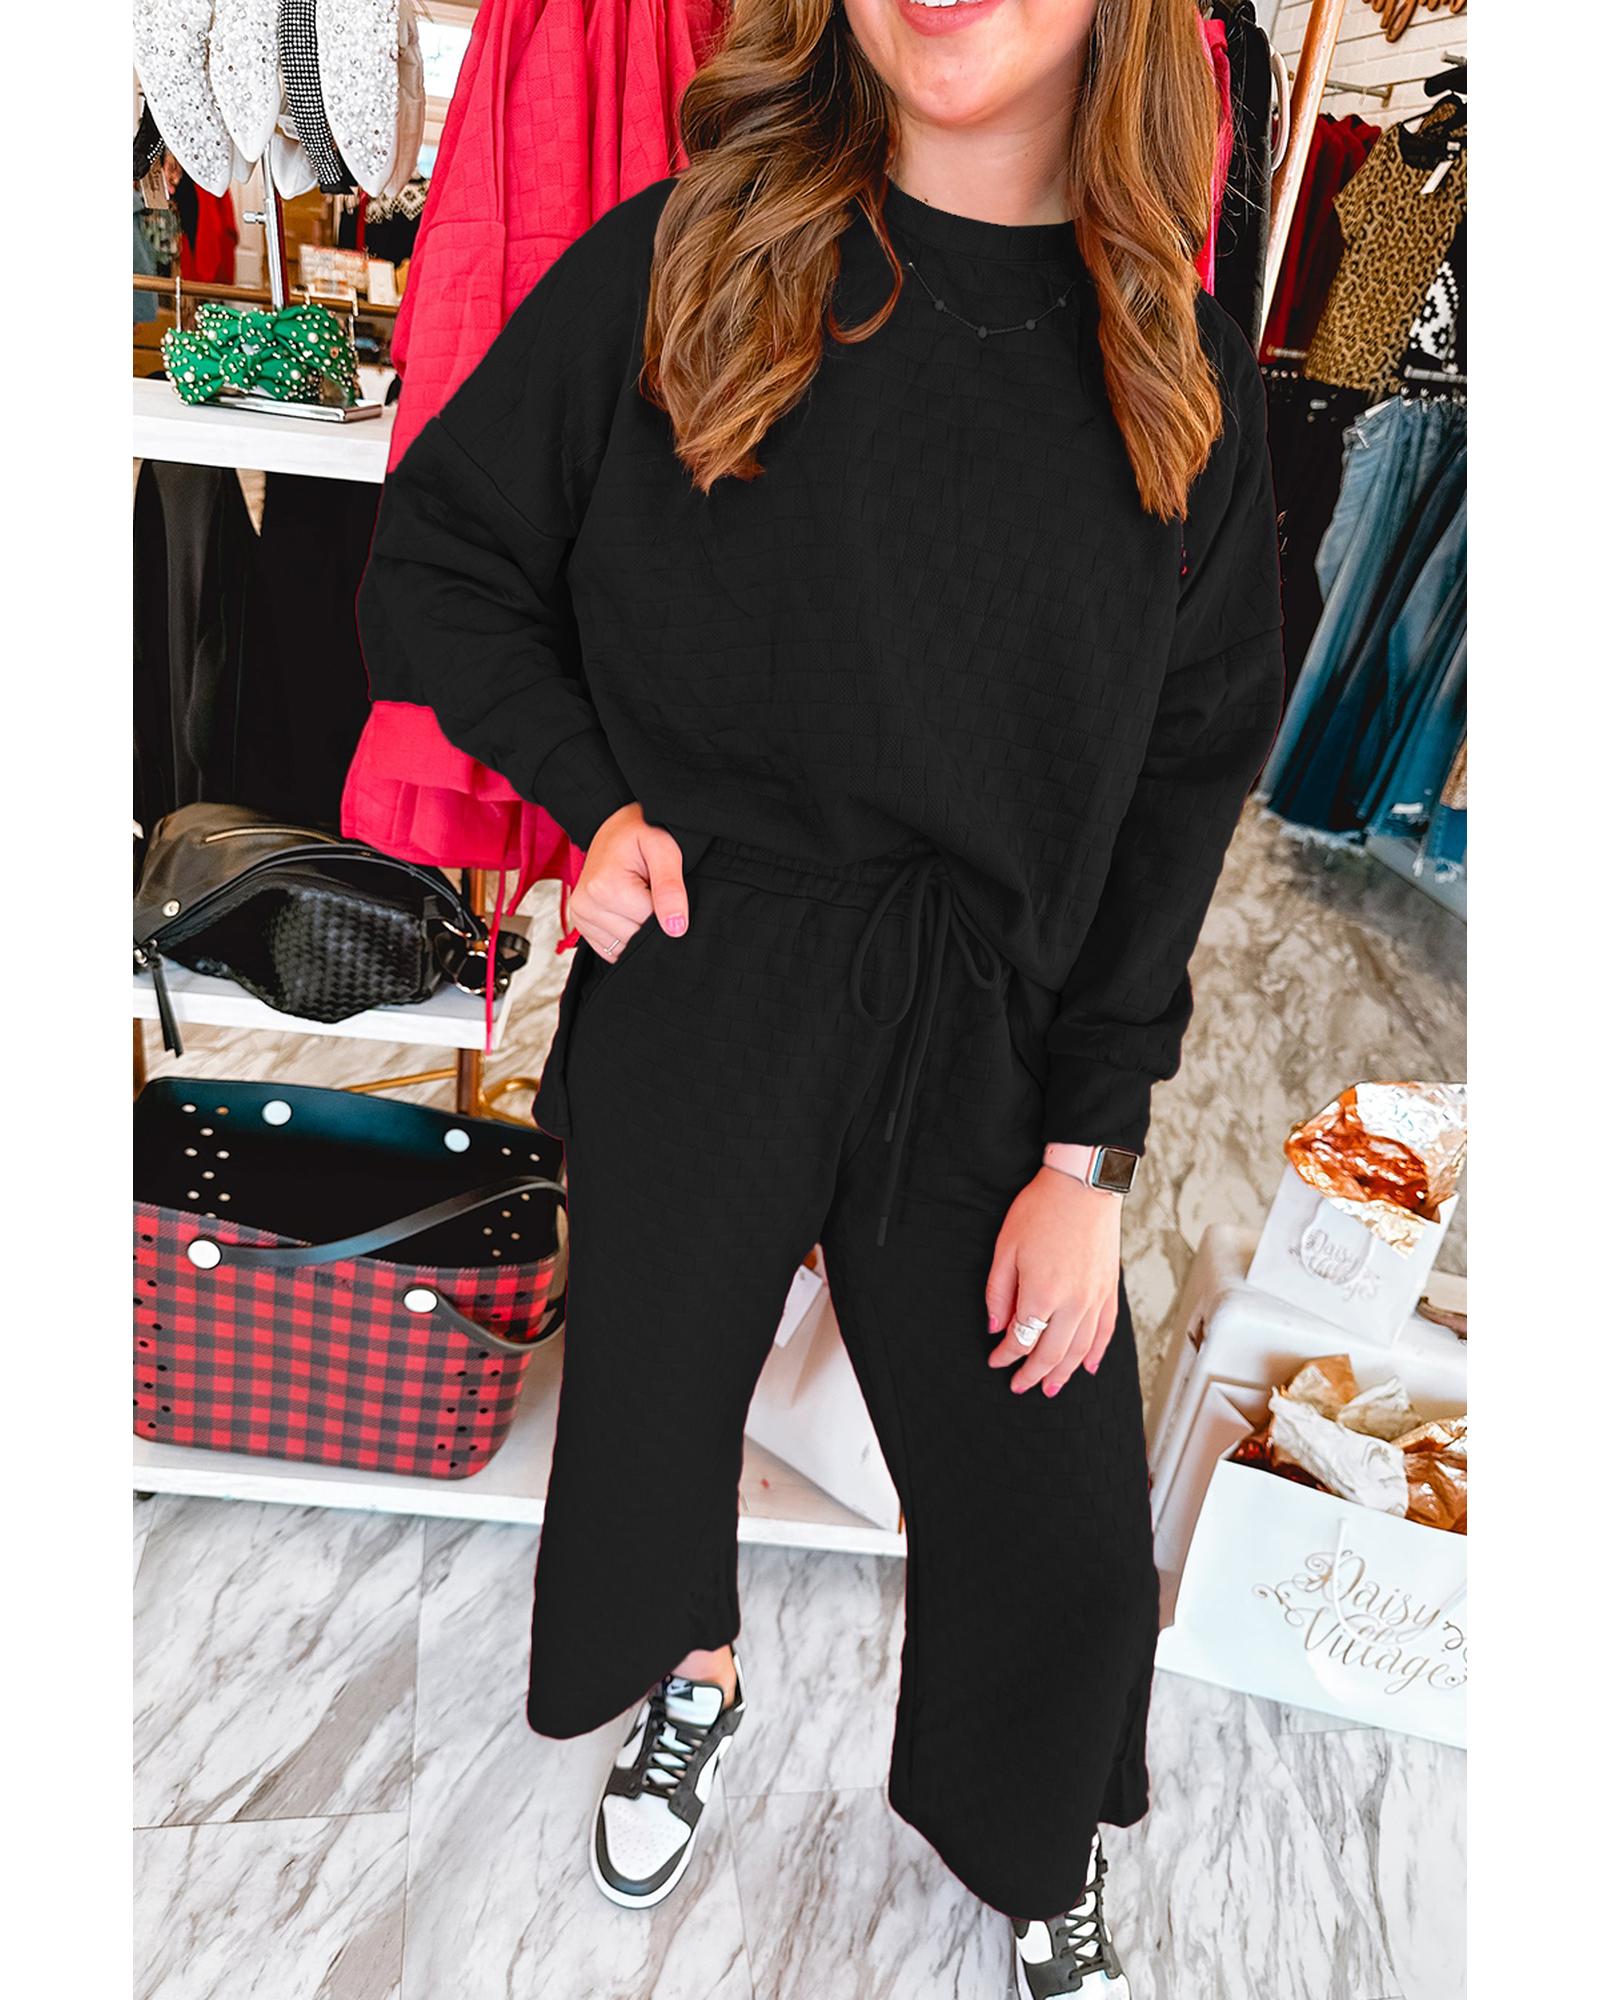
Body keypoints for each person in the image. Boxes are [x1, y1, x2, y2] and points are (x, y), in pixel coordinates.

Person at [356, 3, 1284, 1993]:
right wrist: (591, 795)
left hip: (986, 1024)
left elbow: (1179, 796)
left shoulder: (1178, 368)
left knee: (1053, 1514)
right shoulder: (690, 258)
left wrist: (1090, 1153)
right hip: (711, 964)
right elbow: (434, 556)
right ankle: (689, 1669)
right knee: (652, 1411)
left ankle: (1033, 1841)